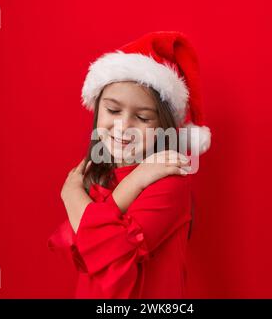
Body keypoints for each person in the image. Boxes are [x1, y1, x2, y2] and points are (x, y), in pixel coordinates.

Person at [48, 31, 211, 298]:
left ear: (162, 127)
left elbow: (110, 253)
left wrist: (71, 195)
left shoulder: (170, 179)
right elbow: (82, 251)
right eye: (113, 111)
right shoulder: (98, 173)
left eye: (143, 117)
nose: (124, 126)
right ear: (98, 108)